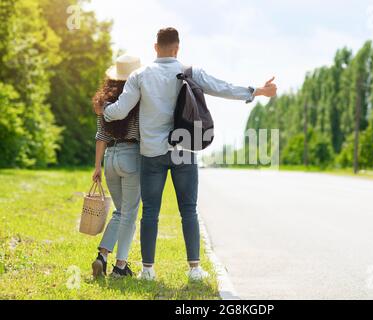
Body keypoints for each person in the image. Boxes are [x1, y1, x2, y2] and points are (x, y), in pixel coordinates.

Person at [99, 27, 277, 281]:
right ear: (177, 48)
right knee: (188, 210)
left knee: (150, 211)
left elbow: (119, 111)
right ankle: (194, 269)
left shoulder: (140, 75)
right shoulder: (191, 72)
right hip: (183, 150)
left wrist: (103, 108)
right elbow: (221, 87)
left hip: (151, 153)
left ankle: (147, 270)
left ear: (155, 47)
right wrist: (257, 90)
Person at [91, 55, 142, 278]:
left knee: (121, 211)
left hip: (110, 158)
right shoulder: (138, 100)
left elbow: (101, 135)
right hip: (131, 157)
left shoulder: (104, 103)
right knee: (129, 213)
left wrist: (97, 167)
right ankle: (121, 267)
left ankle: (102, 255)